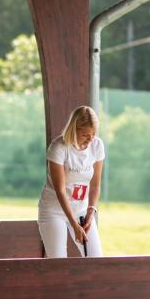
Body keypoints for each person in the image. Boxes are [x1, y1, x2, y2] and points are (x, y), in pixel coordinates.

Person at [37, 105, 104, 258]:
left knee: (96, 258)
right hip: (54, 210)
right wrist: (74, 225)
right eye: (86, 134)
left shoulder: (97, 146)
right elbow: (60, 190)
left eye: (94, 133)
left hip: (81, 210)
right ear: (74, 130)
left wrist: (91, 210)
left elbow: (95, 184)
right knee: (58, 261)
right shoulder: (58, 148)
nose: (91, 139)